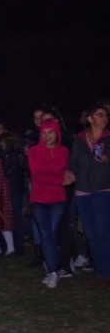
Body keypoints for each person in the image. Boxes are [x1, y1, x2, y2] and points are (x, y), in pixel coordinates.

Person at [67, 101, 110, 283]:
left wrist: (107, 159)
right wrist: (70, 174)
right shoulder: (79, 140)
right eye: (100, 115)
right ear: (91, 118)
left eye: (106, 115)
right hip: (82, 193)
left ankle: (106, 272)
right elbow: (73, 164)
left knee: (102, 232)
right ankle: (101, 271)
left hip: (103, 190)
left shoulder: (108, 138)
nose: (105, 118)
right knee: (91, 234)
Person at [28, 118, 73, 289]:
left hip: (57, 198)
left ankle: (51, 270)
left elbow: (66, 171)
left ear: (57, 133)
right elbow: (36, 173)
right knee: (46, 233)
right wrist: (59, 177)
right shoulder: (34, 151)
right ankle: (53, 272)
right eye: (44, 133)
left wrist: (65, 175)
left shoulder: (64, 151)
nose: (46, 136)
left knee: (51, 234)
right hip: (39, 198)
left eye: (50, 132)